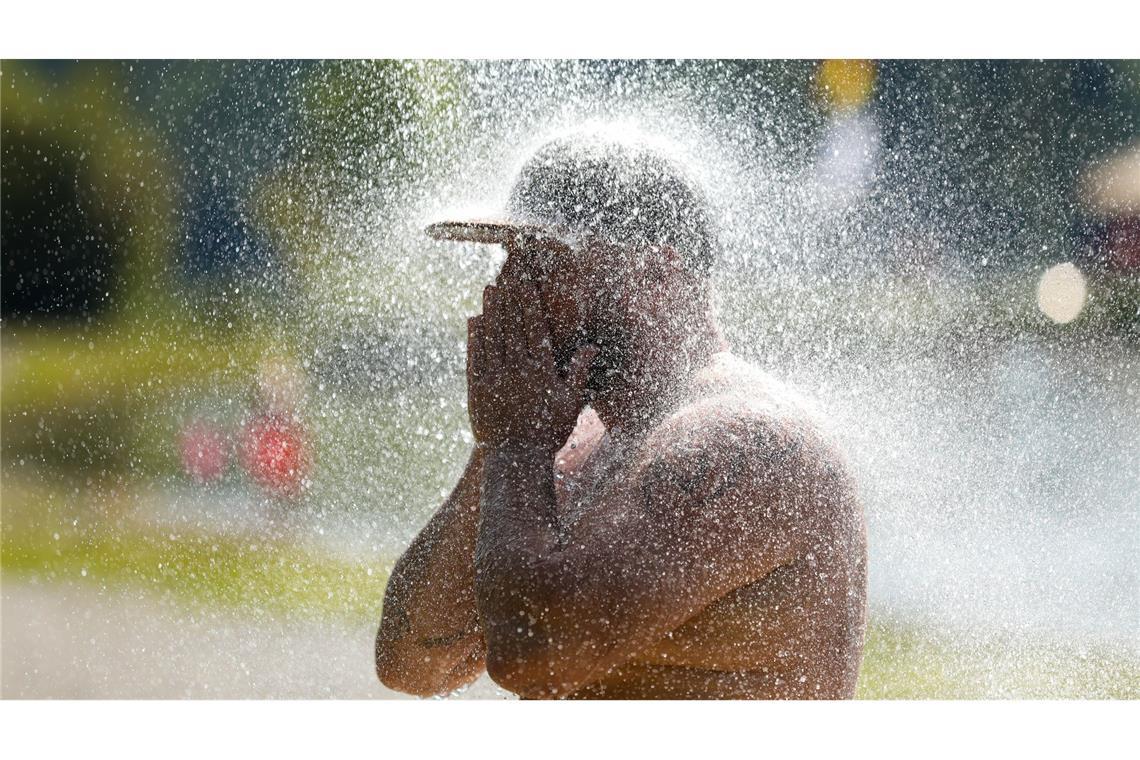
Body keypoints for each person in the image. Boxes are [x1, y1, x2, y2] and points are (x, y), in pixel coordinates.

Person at [374, 132, 867, 699]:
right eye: (510, 259)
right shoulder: (568, 442)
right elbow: (410, 665)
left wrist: (515, 443)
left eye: (544, 260)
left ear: (657, 274)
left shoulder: (748, 442)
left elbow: (531, 654)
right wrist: (499, 444)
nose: (511, 288)